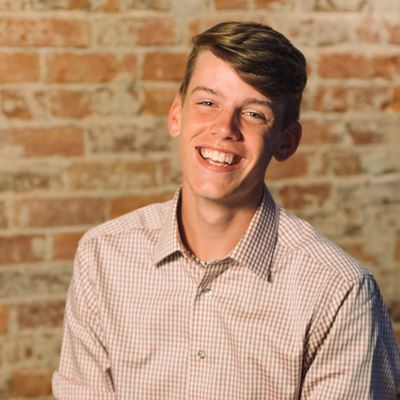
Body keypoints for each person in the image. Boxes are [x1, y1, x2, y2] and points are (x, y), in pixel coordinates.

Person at [52, 21, 400, 399]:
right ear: (176, 114)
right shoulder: (103, 256)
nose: (224, 128)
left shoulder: (339, 292)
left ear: (286, 141)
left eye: (254, 114)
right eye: (208, 103)